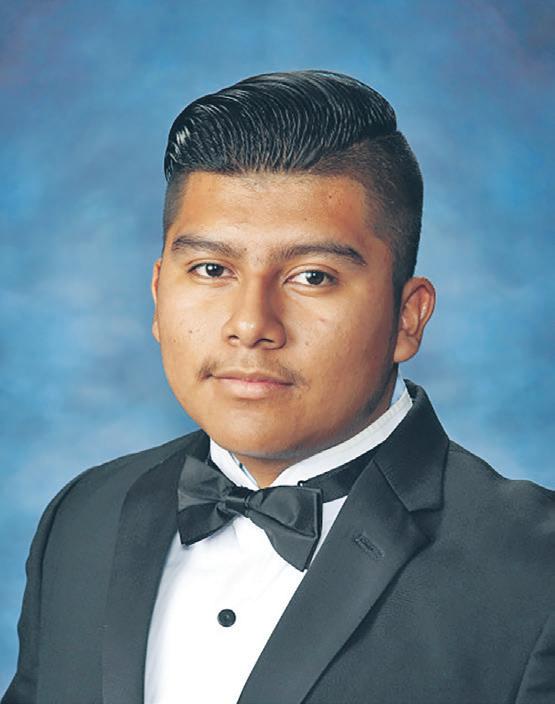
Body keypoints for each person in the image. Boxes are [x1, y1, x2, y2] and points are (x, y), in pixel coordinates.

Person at [3, 70, 554, 704]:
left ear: (408, 317)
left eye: (313, 277)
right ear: (157, 294)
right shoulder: (83, 517)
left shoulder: (535, 576)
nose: (250, 324)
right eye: (211, 268)